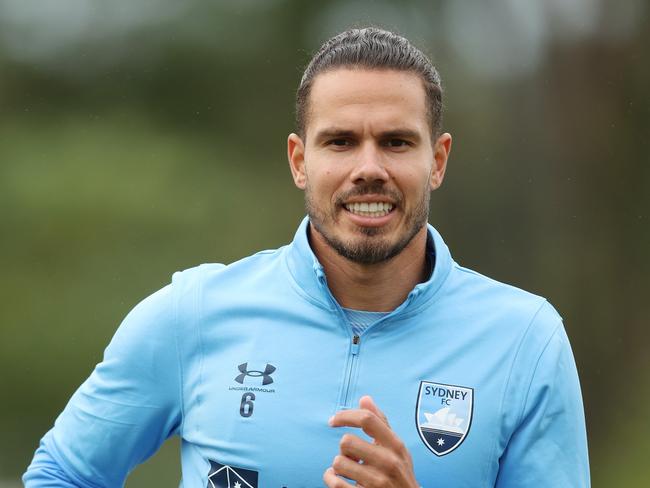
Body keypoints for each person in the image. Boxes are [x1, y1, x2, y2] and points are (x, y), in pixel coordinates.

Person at [24, 27, 589, 487]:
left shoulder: (525, 340)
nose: (369, 168)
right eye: (340, 141)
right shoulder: (190, 315)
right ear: (300, 160)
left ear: (437, 160)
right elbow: (61, 475)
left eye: (396, 141)